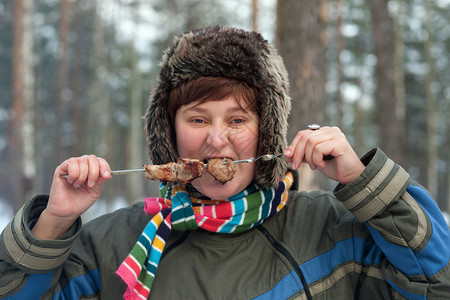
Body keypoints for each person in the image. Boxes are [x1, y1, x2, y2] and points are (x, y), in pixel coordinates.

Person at [1, 26, 449, 300]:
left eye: (237, 119)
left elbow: (438, 283)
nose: (217, 141)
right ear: (168, 132)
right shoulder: (112, 244)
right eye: (198, 118)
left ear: (268, 132)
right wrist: (53, 224)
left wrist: (363, 182)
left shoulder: (334, 231)